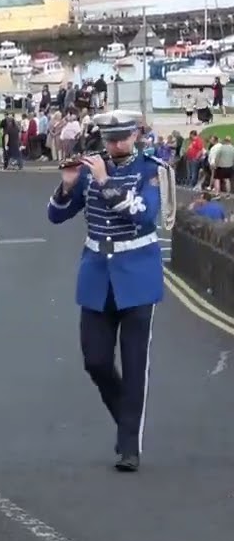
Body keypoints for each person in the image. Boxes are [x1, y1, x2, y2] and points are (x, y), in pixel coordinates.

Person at [48, 110, 176, 472]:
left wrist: (105, 183)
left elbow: (144, 214)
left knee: (135, 366)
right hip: (96, 274)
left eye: (123, 137)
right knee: (96, 360)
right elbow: (56, 216)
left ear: (136, 134)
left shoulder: (151, 169)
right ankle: (127, 420)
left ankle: (129, 445)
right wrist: (68, 186)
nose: (116, 144)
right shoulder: (89, 169)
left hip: (137, 273)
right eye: (110, 138)